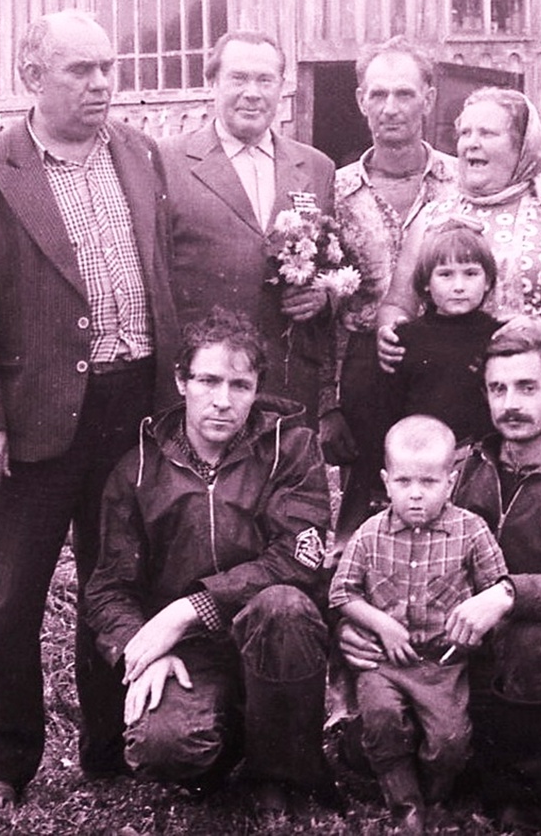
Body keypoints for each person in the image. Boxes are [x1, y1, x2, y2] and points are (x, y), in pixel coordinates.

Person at [0, 9, 177, 809]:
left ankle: (112, 744)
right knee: (12, 594)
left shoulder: (140, 154)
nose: (101, 83)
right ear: (32, 76)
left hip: (133, 405)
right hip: (35, 415)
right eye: (81, 70)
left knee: (119, 578)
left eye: (108, 67)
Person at [342, 328, 541, 833]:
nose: (510, 403)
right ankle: (471, 759)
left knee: (529, 643)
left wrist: (509, 594)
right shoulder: (457, 468)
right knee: (370, 747)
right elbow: (377, 549)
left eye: (527, 387)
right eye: (497, 389)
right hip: (456, 655)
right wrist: (354, 627)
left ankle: (534, 803)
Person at [85, 307, 338, 810]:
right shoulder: (138, 466)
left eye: (240, 385)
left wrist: (191, 608)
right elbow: (109, 586)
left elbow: (299, 557)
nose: (223, 401)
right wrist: (143, 648)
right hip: (188, 651)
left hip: (268, 633)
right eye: (208, 381)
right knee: (164, 746)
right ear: (181, 381)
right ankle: (228, 743)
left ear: (257, 388)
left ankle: (281, 775)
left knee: (284, 605)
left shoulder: (291, 448)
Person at [378, 87, 541, 426]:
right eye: (465, 133)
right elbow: (397, 304)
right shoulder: (432, 217)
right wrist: (388, 331)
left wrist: (539, 330)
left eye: (487, 133)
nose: (471, 143)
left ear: (522, 146)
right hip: (452, 399)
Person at [329, 416, 509, 833]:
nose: (415, 494)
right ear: (385, 482)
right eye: (403, 481)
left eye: (428, 482)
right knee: (381, 721)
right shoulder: (369, 534)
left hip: (444, 666)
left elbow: (498, 589)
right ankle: (404, 804)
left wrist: (477, 622)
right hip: (384, 663)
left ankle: (434, 792)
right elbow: (341, 593)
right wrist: (381, 625)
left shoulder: (470, 531)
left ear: (450, 482)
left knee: (449, 742)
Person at [160, 30, 340, 435]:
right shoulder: (167, 161)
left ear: (282, 87)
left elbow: (332, 264)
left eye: (265, 80)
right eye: (238, 78)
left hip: (287, 380)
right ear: (212, 83)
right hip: (206, 386)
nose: (252, 93)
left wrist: (323, 298)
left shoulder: (316, 167)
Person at [334, 37, 458, 538]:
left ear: (429, 98)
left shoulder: (462, 182)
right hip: (369, 367)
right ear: (360, 100)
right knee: (368, 506)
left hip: (449, 364)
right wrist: (329, 405)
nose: (391, 108)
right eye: (378, 94)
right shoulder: (335, 190)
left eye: (405, 93)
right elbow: (324, 308)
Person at [391, 222, 501, 444]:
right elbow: (387, 410)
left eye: (471, 273)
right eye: (446, 274)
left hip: (484, 453)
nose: (459, 286)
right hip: (420, 453)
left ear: (488, 281)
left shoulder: (497, 336)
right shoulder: (406, 338)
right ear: (426, 282)